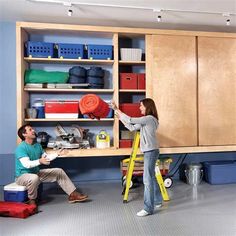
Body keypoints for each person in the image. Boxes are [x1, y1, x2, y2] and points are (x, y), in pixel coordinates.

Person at [15, 124, 88, 209]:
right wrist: (40, 161)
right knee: (34, 178)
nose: (33, 130)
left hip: (36, 173)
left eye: (32, 129)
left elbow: (46, 158)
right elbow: (26, 164)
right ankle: (31, 200)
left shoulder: (37, 145)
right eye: (30, 130)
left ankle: (73, 194)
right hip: (22, 176)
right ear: (24, 134)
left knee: (58, 171)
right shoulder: (21, 148)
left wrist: (57, 154)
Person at [111, 98, 162, 217]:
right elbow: (131, 127)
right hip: (151, 151)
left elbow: (130, 119)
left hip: (150, 151)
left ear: (147, 107)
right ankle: (158, 201)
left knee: (147, 180)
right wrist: (119, 117)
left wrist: (116, 109)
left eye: (141, 106)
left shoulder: (148, 119)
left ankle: (148, 208)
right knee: (151, 177)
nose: (140, 108)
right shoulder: (149, 120)